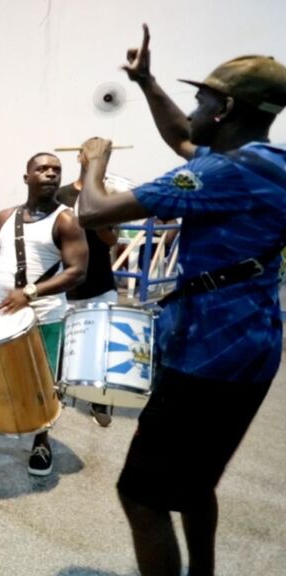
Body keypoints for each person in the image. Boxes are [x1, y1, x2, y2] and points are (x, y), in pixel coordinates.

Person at [77, 25, 286, 576]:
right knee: (196, 483)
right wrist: (145, 82)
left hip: (209, 355)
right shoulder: (269, 165)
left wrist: (92, 162)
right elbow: (181, 139)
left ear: (225, 109)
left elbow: (94, 212)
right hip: (254, 348)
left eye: (202, 101)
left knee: (141, 496)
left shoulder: (219, 173)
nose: (192, 111)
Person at [0, 153, 87, 476]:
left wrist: (31, 293)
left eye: (56, 170)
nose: (50, 174)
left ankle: (41, 438)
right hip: (0, 310)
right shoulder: (5, 217)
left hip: (45, 314)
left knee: (41, 381)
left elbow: (77, 271)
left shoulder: (67, 220)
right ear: (26, 177)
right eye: (42, 169)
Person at [56, 143, 121, 428]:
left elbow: (112, 241)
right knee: (63, 343)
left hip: (100, 283)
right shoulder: (61, 194)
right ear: (80, 156)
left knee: (101, 345)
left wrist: (93, 217)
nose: (94, 157)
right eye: (89, 151)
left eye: (101, 154)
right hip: (67, 283)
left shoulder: (111, 194)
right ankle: (58, 392)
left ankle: (100, 399)